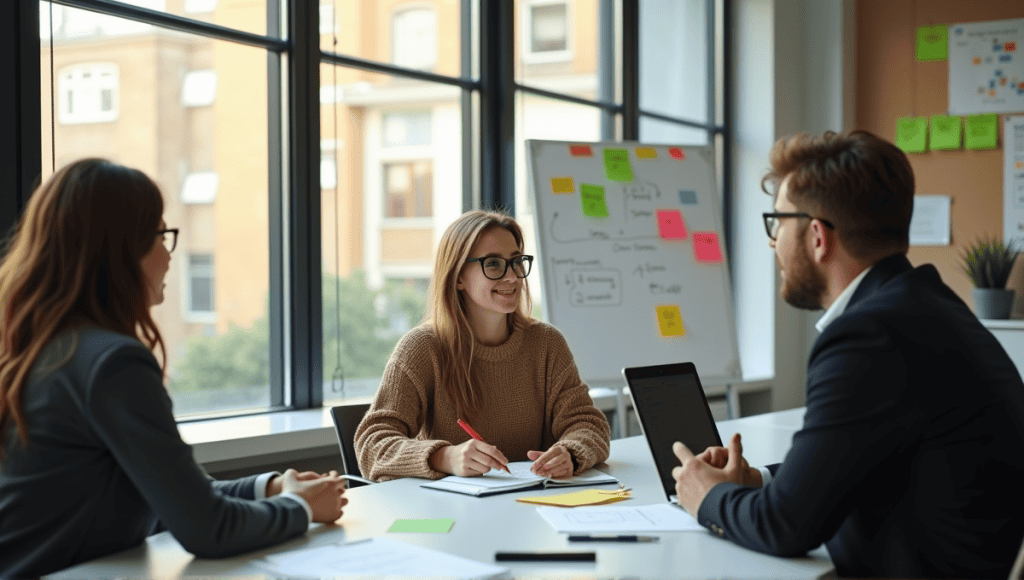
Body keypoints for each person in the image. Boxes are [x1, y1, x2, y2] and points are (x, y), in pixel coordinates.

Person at [670, 130, 1024, 578]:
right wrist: (758, 480)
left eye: (777, 222)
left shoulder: (870, 335)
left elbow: (787, 526)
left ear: (817, 237)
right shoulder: (925, 305)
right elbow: (856, 457)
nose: (771, 241)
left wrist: (706, 497)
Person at [0, 159, 348, 579]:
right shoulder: (111, 363)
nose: (168, 255)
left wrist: (272, 487)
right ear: (117, 250)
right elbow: (208, 528)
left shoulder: (45, 350)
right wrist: (301, 507)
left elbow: (179, 497)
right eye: (158, 236)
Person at [355, 210, 610, 482]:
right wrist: (445, 457)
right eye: (493, 264)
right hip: (454, 515)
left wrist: (570, 453)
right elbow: (372, 445)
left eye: (516, 262)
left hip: (537, 507)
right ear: (458, 277)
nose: (511, 277)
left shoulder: (546, 343)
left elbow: (589, 424)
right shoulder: (422, 347)